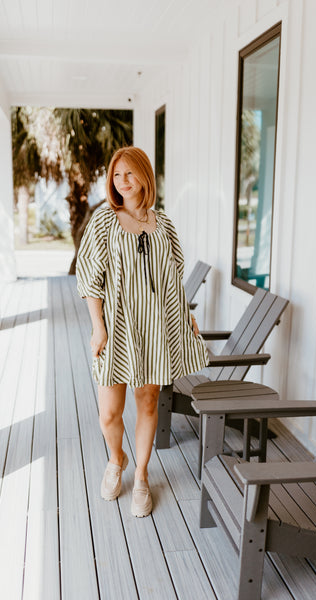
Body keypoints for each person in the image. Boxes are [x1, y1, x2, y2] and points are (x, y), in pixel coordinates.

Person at [76, 146, 209, 517]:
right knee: (108, 413)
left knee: (147, 401)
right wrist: (98, 326)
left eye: (130, 174)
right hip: (117, 327)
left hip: (156, 327)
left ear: (145, 177)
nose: (123, 182)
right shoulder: (104, 221)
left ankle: (142, 475)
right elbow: (90, 278)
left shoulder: (163, 224)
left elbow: (173, 277)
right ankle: (116, 460)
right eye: (117, 176)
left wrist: (186, 315)